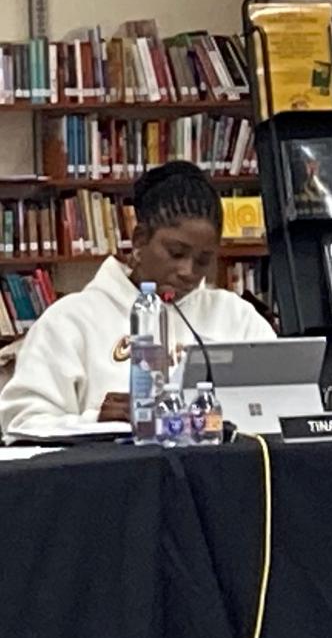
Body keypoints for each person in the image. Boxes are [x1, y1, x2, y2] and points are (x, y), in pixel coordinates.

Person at [0, 161, 276, 440]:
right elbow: (19, 423)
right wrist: (95, 420)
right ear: (140, 239)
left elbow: (283, 406)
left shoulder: (238, 318)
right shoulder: (71, 320)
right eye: (176, 253)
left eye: (204, 261)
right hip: (113, 478)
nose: (188, 272)